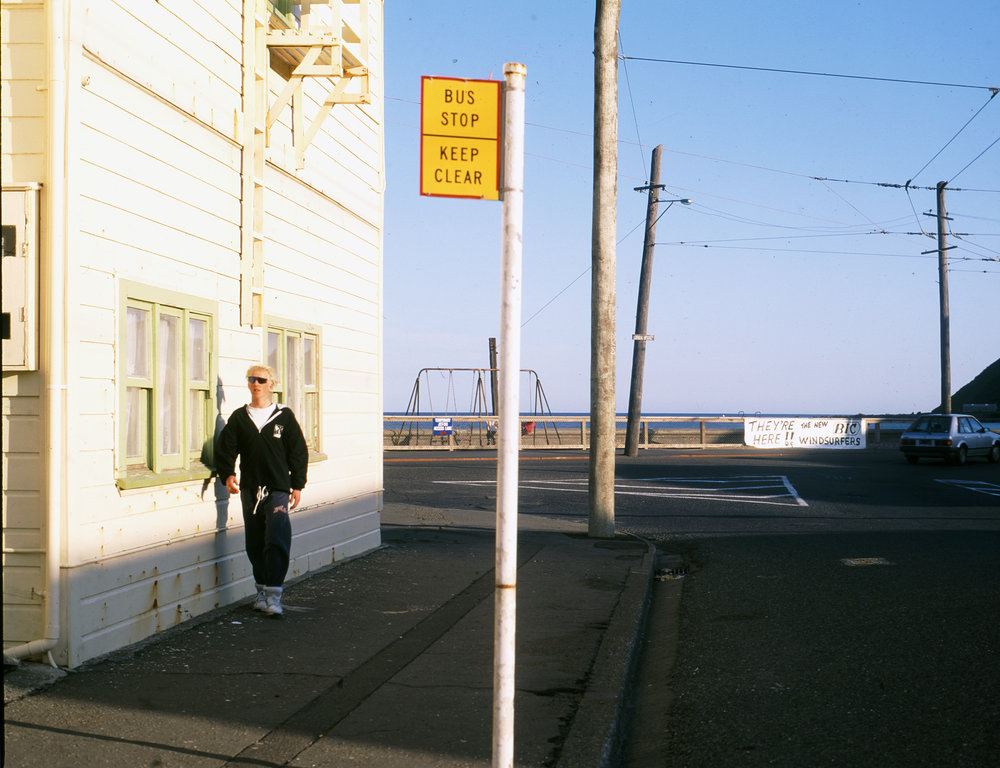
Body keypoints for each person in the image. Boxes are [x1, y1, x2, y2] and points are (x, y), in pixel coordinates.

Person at [216, 365, 308, 617]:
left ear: (271, 384)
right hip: (250, 489)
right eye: (252, 379)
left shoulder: (284, 417)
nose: (256, 383)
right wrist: (228, 474)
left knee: (276, 539)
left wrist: (297, 484)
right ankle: (261, 591)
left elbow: (298, 452)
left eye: (261, 380)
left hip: (278, 488)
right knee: (255, 542)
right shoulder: (240, 417)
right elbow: (226, 448)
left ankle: (274, 596)